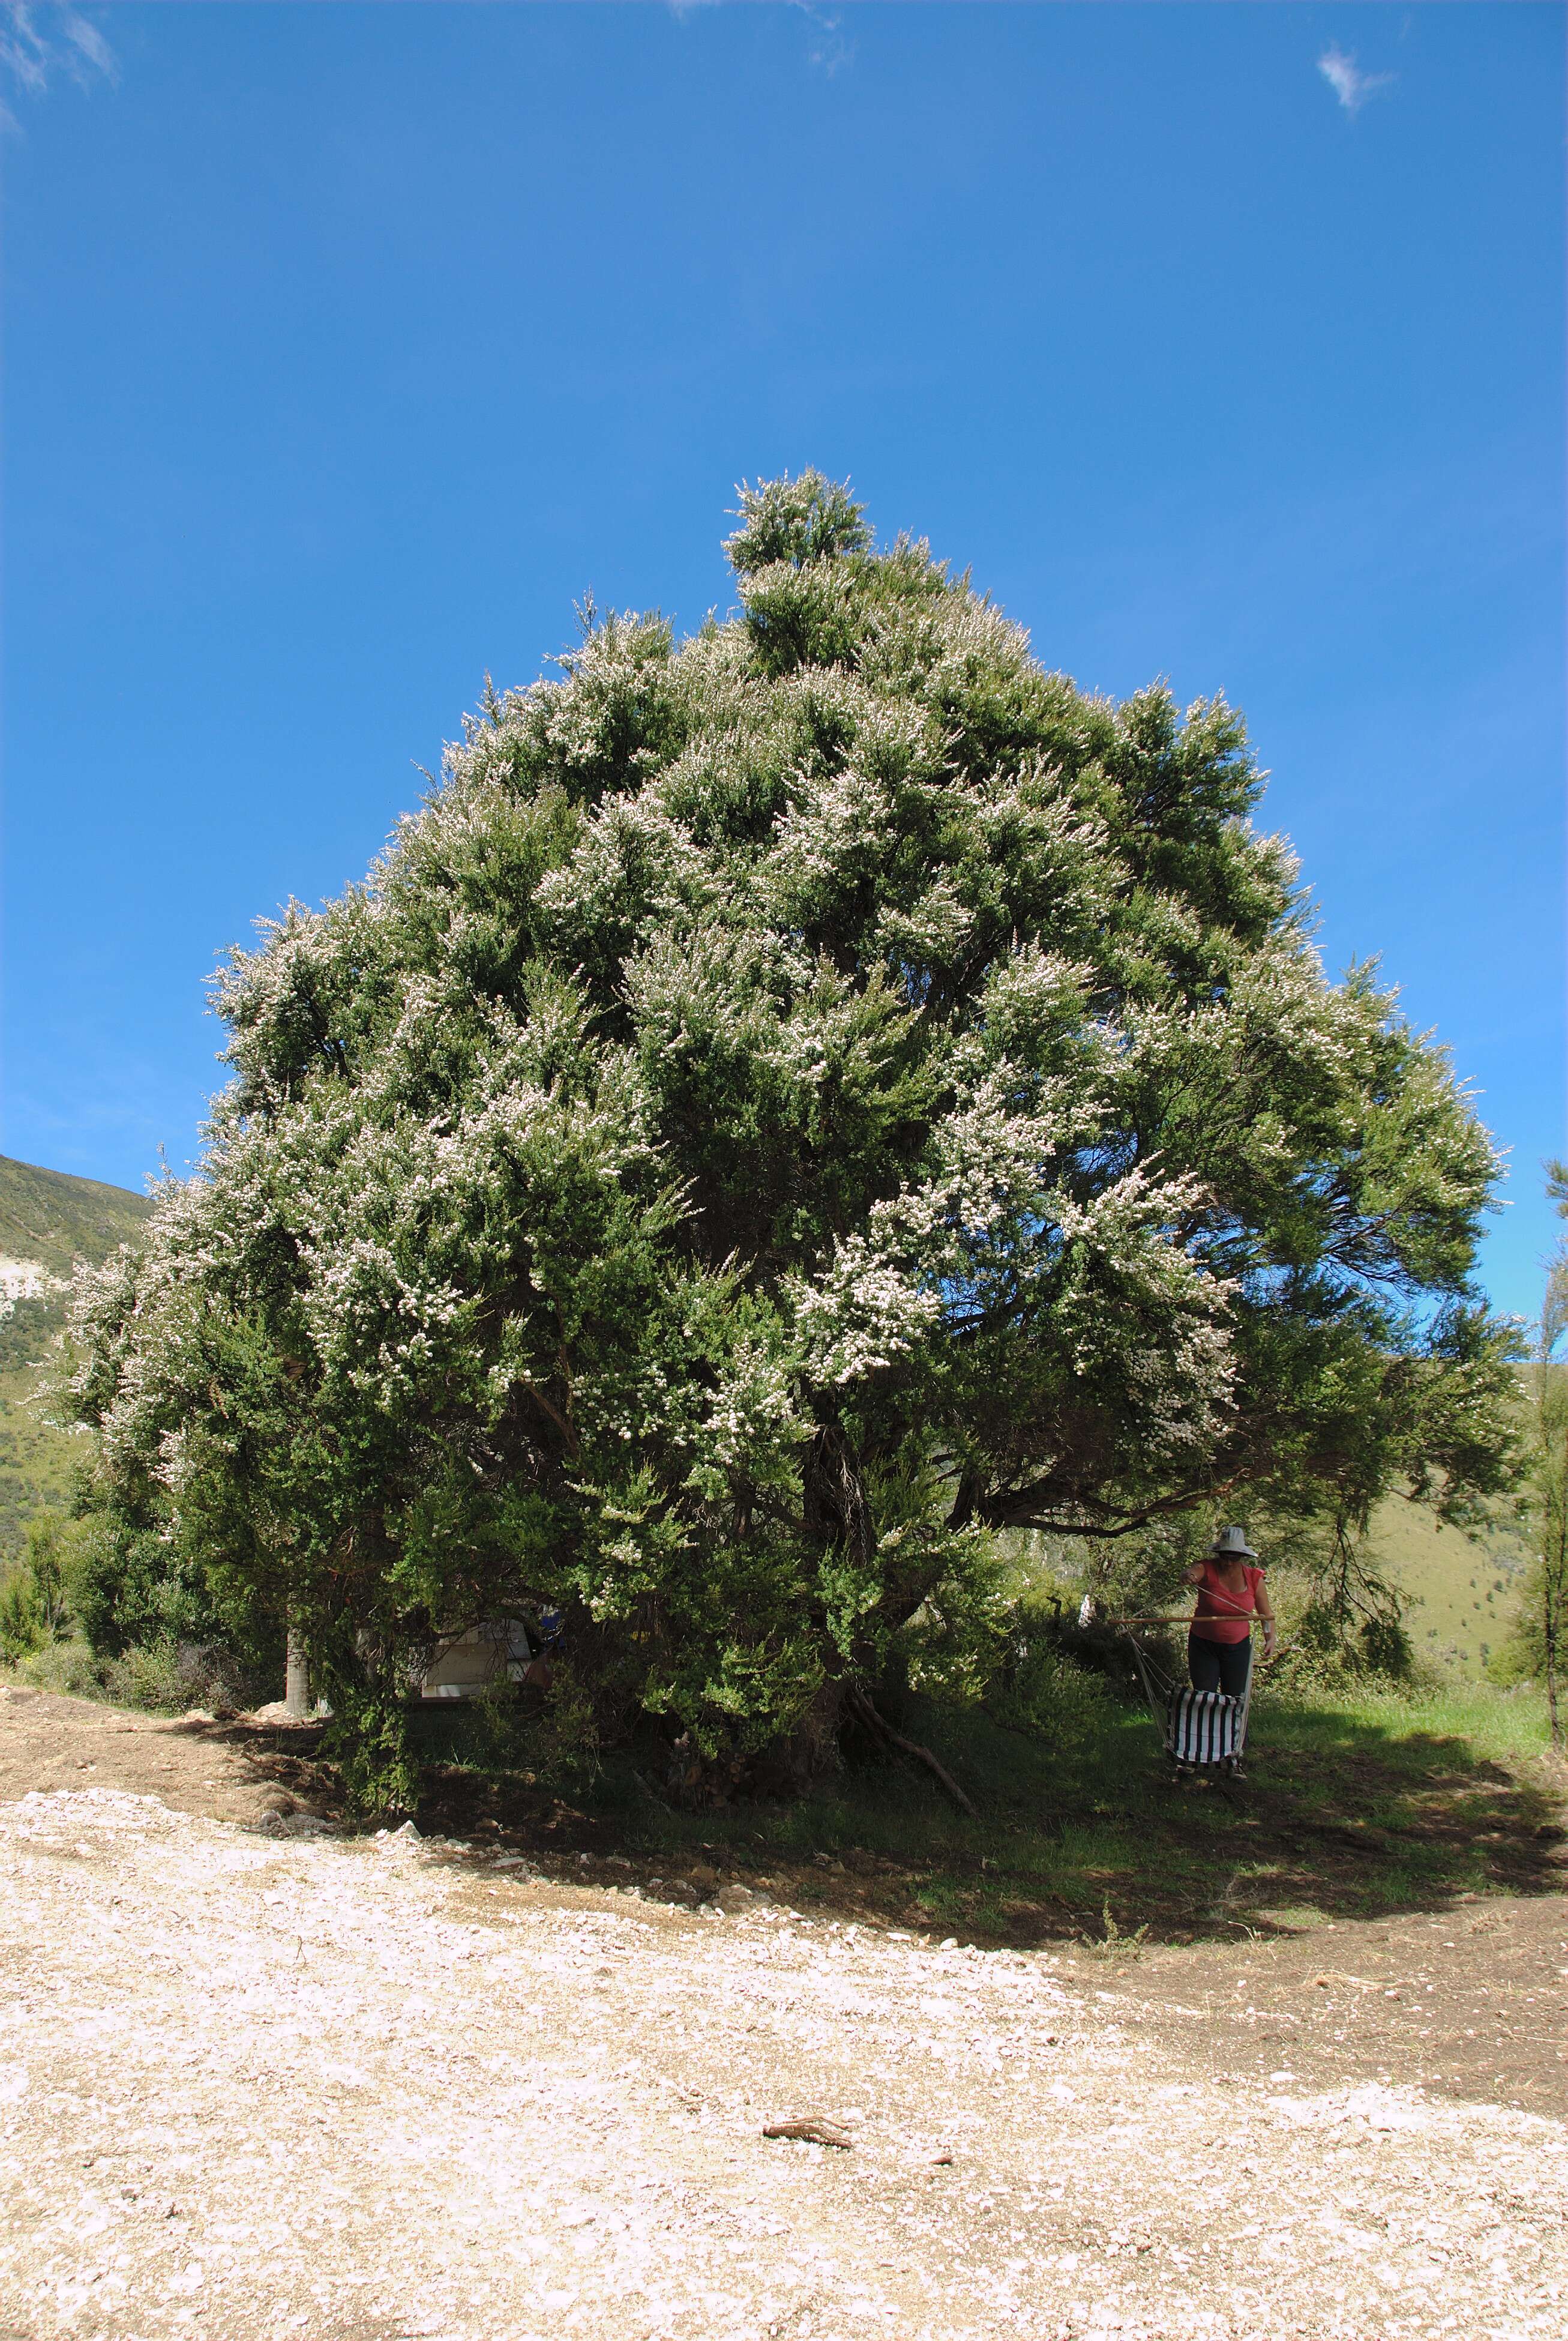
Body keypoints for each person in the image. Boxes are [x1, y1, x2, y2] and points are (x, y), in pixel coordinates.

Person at [1183, 1525, 1276, 1706]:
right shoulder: (1207, 1568)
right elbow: (1191, 1572)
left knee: (1236, 1700)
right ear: (1219, 1553)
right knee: (1204, 1699)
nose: (1228, 1562)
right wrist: (1188, 1576)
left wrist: (1270, 1638)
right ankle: (1205, 1734)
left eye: (1234, 1557)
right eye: (1225, 1556)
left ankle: (1237, 1735)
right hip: (1204, 1646)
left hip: (1238, 1648)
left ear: (1242, 1556)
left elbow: (1266, 1615)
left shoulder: (1253, 1578)